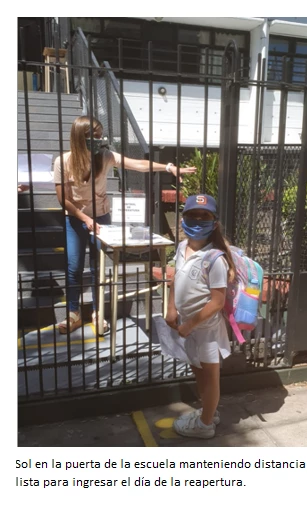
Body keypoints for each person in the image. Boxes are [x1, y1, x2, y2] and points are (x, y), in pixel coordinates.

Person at [54, 115, 196, 334]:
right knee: (74, 267)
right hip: (74, 218)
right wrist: (85, 218)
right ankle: (73, 314)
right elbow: (63, 198)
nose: (98, 141)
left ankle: (97, 312)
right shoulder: (63, 162)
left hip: (101, 218)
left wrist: (168, 167)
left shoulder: (105, 156)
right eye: (93, 136)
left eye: (100, 136)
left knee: (97, 267)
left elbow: (137, 164)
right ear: (79, 137)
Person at [165, 194, 236, 439]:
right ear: (182, 219)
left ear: (214, 223)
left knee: (210, 374)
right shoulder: (182, 247)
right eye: (191, 215)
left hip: (205, 329)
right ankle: (208, 410)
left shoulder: (214, 259)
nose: (196, 221)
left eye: (203, 217)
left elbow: (217, 302)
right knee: (198, 369)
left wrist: (190, 324)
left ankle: (205, 424)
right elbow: (175, 278)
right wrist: (171, 308)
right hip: (187, 325)